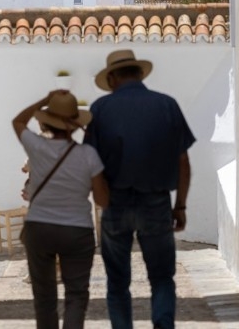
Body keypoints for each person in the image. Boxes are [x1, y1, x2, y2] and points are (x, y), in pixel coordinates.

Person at [85, 49, 195, 329]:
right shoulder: (167, 105)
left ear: (112, 79)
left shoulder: (100, 109)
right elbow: (183, 161)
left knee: (118, 282)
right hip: (156, 202)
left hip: (115, 202)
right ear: (139, 74)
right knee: (161, 278)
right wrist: (180, 205)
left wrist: (100, 200)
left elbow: (91, 162)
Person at [13, 90, 109, 329]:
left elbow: (18, 121)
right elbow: (101, 199)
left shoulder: (35, 146)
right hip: (77, 230)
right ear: (75, 124)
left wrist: (44, 100)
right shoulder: (88, 155)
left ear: (45, 121)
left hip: (40, 227)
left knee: (44, 297)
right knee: (76, 295)